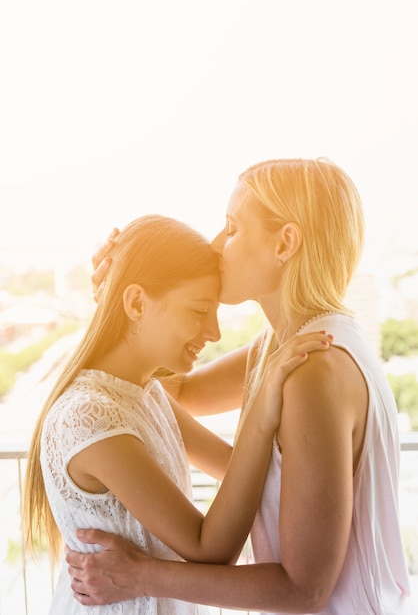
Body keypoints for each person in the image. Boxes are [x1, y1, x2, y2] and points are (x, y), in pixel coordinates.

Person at [66, 158, 415, 615]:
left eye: (231, 228)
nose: (214, 246)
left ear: (285, 243)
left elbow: (304, 591)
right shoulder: (281, 346)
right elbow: (182, 391)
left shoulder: (314, 370)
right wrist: (123, 296)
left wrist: (139, 575)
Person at [22, 213, 331, 615]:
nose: (215, 332)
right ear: (135, 302)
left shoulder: (146, 394)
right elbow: (210, 549)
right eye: (200, 309)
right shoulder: (91, 417)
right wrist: (261, 408)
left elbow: (244, 474)